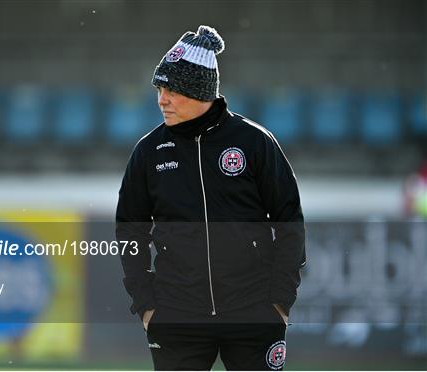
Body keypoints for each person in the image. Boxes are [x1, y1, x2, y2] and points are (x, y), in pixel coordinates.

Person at [116, 25, 306, 371]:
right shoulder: (148, 152)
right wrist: (146, 306)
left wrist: (280, 302)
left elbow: (290, 222)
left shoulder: (255, 143)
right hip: (177, 315)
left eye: (171, 89)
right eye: (160, 88)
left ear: (200, 91)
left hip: (253, 312)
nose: (162, 99)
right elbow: (129, 232)